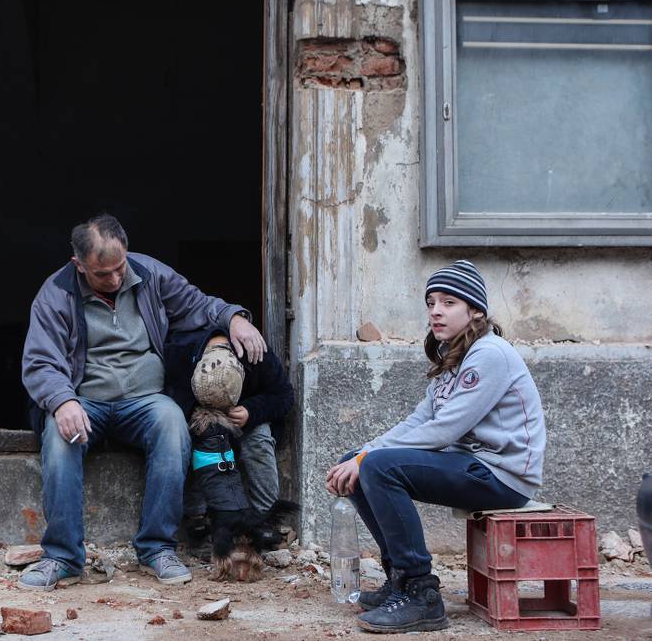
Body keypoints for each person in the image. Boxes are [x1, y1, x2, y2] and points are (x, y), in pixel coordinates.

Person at [20, 214, 266, 590]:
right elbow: (40, 362)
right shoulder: (56, 293)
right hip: (84, 400)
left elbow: (197, 304)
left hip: (145, 401)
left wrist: (234, 318)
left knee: (172, 424)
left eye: (120, 268)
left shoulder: (149, 274)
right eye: (103, 274)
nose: (116, 279)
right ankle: (63, 557)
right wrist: (61, 401)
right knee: (58, 434)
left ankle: (156, 548)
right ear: (79, 265)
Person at [325, 260, 546, 634]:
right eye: (431, 303)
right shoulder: (452, 357)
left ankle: (422, 594)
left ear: (475, 310)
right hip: (471, 465)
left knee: (377, 466)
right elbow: (419, 422)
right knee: (361, 463)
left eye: (448, 303)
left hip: (503, 476)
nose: (435, 312)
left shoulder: (489, 354)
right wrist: (362, 452)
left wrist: (369, 458)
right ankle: (400, 578)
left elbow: (444, 429)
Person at [163, 326, 294, 552]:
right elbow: (170, 395)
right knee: (186, 439)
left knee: (260, 437)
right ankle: (198, 522)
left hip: (245, 420)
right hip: (200, 417)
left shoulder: (257, 355)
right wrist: (201, 414)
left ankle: (264, 519)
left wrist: (251, 411)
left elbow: (284, 397)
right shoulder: (181, 353)